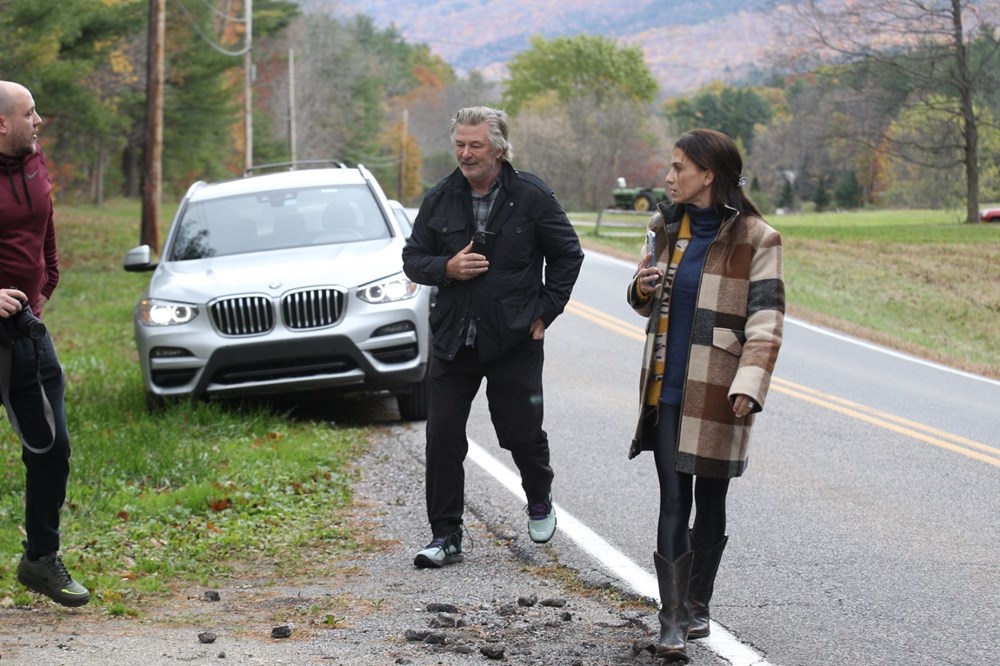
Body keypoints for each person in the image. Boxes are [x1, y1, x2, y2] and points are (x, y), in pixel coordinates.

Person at [402, 106, 584, 568]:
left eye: (475, 145)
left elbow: (568, 256)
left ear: (499, 149)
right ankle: (446, 535)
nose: (465, 153)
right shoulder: (440, 197)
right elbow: (412, 257)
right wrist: (446, 267)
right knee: (442, 437)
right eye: (460, 144)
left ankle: (538, 494)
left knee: (519, 434)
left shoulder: (532, 196)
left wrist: (545, 312)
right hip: (452, 339)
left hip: (512, 340)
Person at [627, 129, 783, 662]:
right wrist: (642, 288)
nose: (668, 177)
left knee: (711, 501)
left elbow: (766, 323)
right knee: (674, 497)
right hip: (667, 387)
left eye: (678, 168)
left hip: (722, 389)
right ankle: (671, 622)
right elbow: (643, 295)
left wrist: (750, 384)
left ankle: (697, 605)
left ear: (707, 174)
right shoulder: (665, 227)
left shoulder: (759, 239)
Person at [0, 80, 90, 607]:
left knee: (52, 448)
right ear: (2, 124)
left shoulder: (34, 159)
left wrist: (46, 282)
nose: (40, 121)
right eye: (30, 113)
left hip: (26, 334)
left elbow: (43, 220)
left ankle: (40, 559)